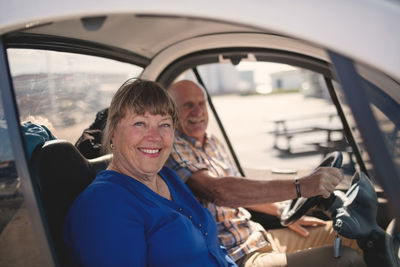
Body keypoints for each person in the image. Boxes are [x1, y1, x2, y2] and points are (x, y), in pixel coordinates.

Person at [166, 80, 366, 267]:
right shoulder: (172, 148)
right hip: (235, 255)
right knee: (347, 259)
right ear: (172, 112)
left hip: (257, 236)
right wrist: (300, 186)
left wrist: (282, 211)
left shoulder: (211, 142)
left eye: (202, 103)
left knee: (354, 233)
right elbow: (219, 191)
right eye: (188, 105)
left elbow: (242, 195)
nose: (198, 111)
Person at [63, 79, 237, 267]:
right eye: (139, 123)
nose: (155, 136)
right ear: (113, 132)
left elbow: (214, 249)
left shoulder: (169, 177)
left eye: (164, 124)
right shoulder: (103, 204)